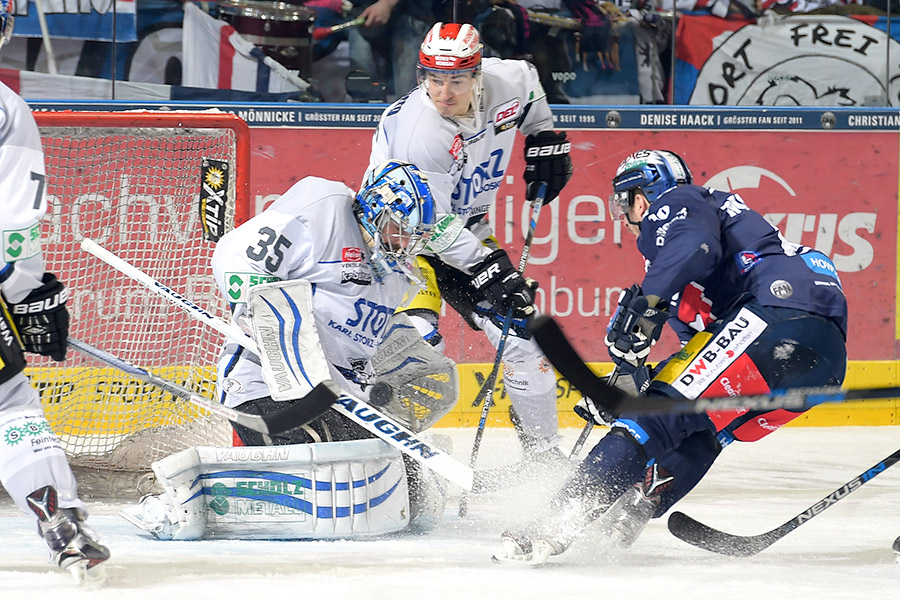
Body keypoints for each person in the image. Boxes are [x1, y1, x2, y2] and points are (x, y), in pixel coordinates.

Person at [494, 149, 848, 564]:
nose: (626, 216)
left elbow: (695, 245)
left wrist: (645, 304)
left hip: (776, 316)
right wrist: (635, 378)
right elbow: (700, 353)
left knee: (650, 418)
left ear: (641, 198)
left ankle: (556, 519)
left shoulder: (680, 202)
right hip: (822, 360)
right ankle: (632, 510)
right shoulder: (713, 255)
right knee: (701, 425)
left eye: (626, 203)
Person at [121, 161, 452, 539]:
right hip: (269, 389)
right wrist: (262, 316)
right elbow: (236, 255)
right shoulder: (325, 209)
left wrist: (409, 361)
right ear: (376, 208)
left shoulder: (394, 272)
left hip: (336, 397)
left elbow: (375, 340)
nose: (405, 243)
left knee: (409, 497)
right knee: (334, 479)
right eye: (399, 230)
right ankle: (178, 500)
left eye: (414, 236)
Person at [367, 22, 574, 483]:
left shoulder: (510, 79)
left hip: (467, 229)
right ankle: (390, 458)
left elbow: (531, 83)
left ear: (477, 74)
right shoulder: (419, 134)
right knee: (415, 345)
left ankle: (543, 458)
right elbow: (428, 225)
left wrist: (543, 135)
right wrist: (486, 265)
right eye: (433, 79)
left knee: (523, 336)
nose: (443, 92)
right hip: (401, 240)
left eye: (456, 80)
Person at [0, 1, 110, 585]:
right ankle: (60, 525)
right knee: (8, 405)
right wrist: (28, 295)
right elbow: (15, 227)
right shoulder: (5, 107)